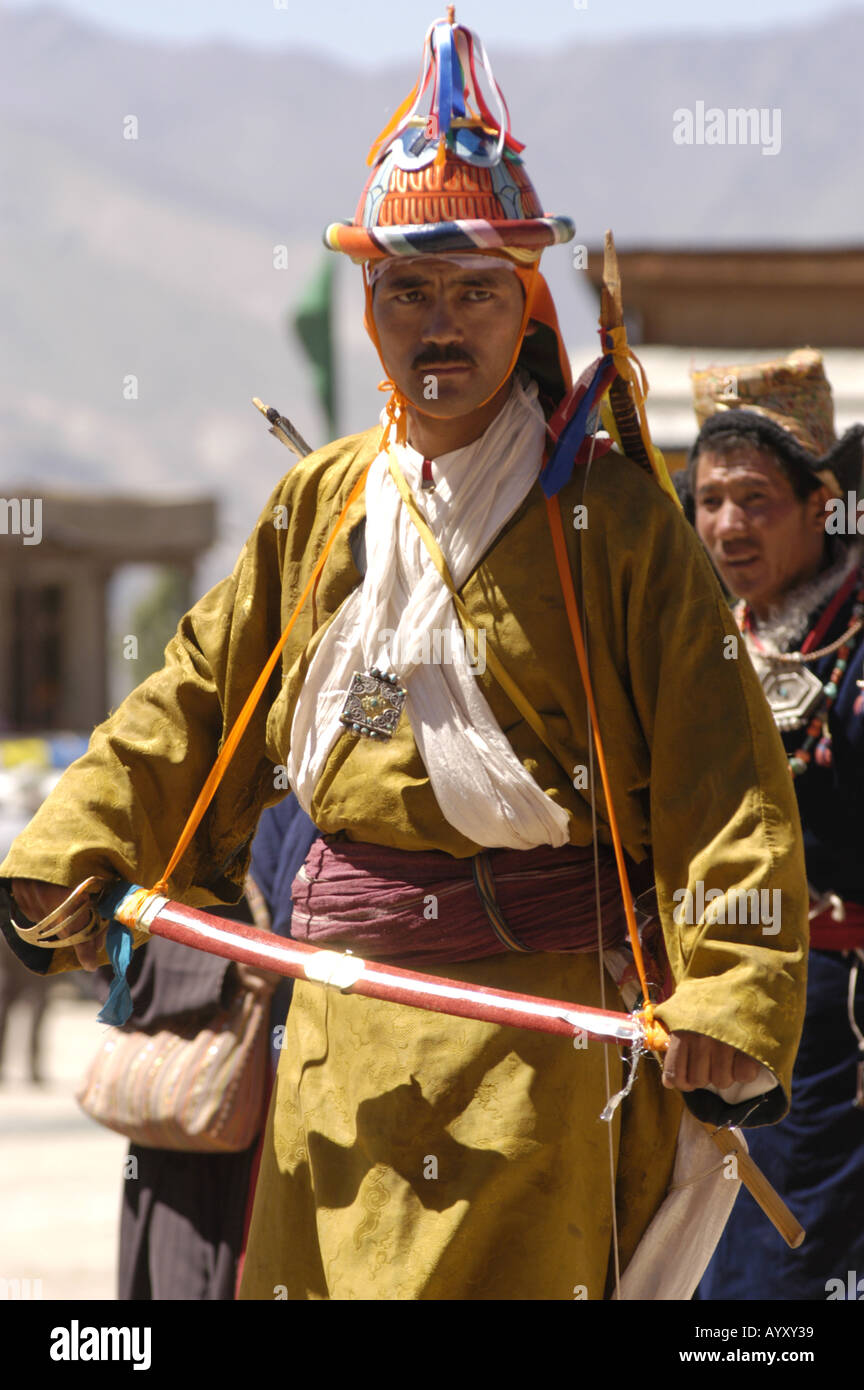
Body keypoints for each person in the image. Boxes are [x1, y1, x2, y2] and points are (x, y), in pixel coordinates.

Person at [1, 13, 808, 1300]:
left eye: (475, 291)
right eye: (408, 291)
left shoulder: (613, 516)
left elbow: (729, 778)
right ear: (368, 305)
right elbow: (191, 701)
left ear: (525, 305)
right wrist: (71, 847)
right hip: (333, 1060)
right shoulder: (321, 505)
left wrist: (732, 983)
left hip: (537, 1072)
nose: (441, 325)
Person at [676, 348, 864, 1301]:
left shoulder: (856, 647)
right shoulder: (704, 638)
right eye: (709, 500)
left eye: (755, 499)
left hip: (839, 1032)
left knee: (787, 1279)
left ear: (821, 503)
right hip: (710, 1020)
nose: (726, 525)